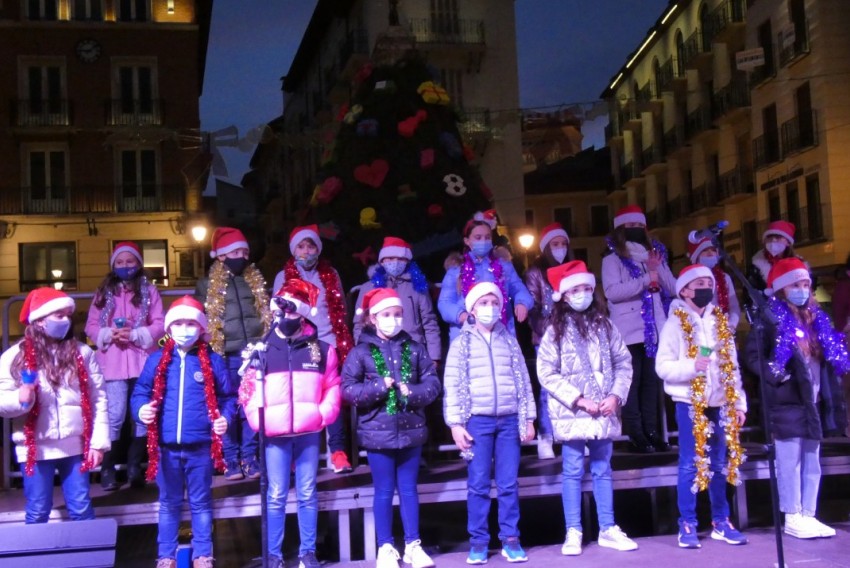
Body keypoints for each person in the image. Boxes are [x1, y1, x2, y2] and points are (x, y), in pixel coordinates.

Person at [536, 261, 638, 556]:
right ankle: (573, 530)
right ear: (564, 296)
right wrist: (579, 400)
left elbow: (623, 362)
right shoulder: (555, 331)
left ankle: (607, 527)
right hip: (574, 412)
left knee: (603, 468)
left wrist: (616, 395)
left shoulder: (605, 325)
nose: (582, 294)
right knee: (572, 469)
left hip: (604, 410)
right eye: (575, 290)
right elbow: (546, 372)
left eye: (586, 289)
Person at [239, 279, 341, 568]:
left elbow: (333, 385)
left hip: (308, 431)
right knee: (276, 495)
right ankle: (274, 555)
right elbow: (247, 390)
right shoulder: (260, 349)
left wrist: (322, 414)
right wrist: (258, 420)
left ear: (304, 313)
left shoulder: (322, 349)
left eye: (293, 311)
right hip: (275, 434)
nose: (286, 316)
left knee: (307, 492)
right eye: (282, 311)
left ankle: (307, 552)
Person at [744, 258, 847, 539]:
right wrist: (775, 374)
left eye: (805, 285)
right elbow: (752, 356)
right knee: (789, 462)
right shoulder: (770, 319)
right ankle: (792, 515)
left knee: (812, 461)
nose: (802, 290)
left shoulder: (817, 318)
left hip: (814, 401)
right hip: (787, 400)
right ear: (781, 289)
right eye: (795, 285)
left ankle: (808, 514)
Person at [343, 288, 441, 568]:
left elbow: (433, 383)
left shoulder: (414, 348)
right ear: (373, 318)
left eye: (398, 314)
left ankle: (413, 544)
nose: (394, 319)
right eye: (387, 314)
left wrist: (414, 392)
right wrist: (377, 387)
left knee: (409, 490)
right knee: (384, 491)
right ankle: (385, 547)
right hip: (378, 434)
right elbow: (347, 389)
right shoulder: (361, 352)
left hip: (411, 430)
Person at [132, 296, 232, 568]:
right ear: (169, 328)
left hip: (200, 446)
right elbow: (140, 391)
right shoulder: (156, 360)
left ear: (201, 327)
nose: (184, 329)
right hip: (166, 448)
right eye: (178, 323)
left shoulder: (213, 361)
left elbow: (228, 397)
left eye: (190, 323)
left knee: (201, 502)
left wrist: (225, 418)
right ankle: (166, 556)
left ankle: (203, 554)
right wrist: (141, 410)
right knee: (168, 503)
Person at [443, 282, 537, 564]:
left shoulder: (509, 341)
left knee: (508, 483)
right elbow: (452, 385)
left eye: (495, 303)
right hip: (477, 422)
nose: (490, 308)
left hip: (509, 420)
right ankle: (479, 542)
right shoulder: (462, 343)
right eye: (483, 303)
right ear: (472, 309)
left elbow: (523, 381)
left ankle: (511, 539)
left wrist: (528, 418)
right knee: (478, 485)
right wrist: (456, 424)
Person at [656, 265, 748, 549]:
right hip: (689, 403)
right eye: (700, 284)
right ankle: (687, 523)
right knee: (690, 465)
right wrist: (691, 366)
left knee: (719, 464)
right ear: (684, 290)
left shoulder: (719, 322)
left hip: (719, 402)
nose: (707, 288)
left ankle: (721, 521)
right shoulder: (674, 324)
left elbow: (732, 367)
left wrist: (739, 403)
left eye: (709, 283)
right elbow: (663, 367)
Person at [0, 288, 109, 523]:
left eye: (68, 315)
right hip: (35, 448)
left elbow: (98, 398)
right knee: (38, 510)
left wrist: (98, 444)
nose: (66, 321)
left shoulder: (82, 353)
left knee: (81, 507)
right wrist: (21, 398)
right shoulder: (14, 357)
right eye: (59, 315)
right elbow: (2, 402)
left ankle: (86, 549)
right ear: (39, 320)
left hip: (76, 447)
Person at [272, 225, 354, 474]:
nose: (306, 251)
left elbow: (341, 309)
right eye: (301, 246)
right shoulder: (283, 276)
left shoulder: (331, 274)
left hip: (327, 341)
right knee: (300, 398)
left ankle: (337, 451)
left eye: (311, 246)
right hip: (298, 343)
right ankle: (297, 454)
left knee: (331, 395)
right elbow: (277, 313)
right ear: (293, 250)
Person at [85, 241, 164, 490]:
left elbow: (160, 323)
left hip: (142, 362)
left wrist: (136, 334)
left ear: (139, 264)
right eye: (119, 262)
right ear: (113, 265)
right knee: (115, 416)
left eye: (130, 261)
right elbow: (91, 325)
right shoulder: (103, 292)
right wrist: (109, 334)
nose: (125, 265)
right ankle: (108, 469)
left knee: (142, 416)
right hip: (113, 364)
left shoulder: (149, 291)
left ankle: (134, 467)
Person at [195, 227, 272, 481]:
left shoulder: (254, 280)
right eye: (236, 252)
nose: (242, 257)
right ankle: (230, 458)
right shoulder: (207, 285)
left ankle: (249, 457)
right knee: (227, 406)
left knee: (251, 405)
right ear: (221, 255)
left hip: (253, 355)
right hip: (224, 355)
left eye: (245, 253)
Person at [601, 205, 676, 453]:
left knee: (651, 383)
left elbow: (672, 287)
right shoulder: (612, 260)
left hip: (654, 329)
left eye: (639, 226)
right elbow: (612, 292)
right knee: (631, 384)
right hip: (628, 331)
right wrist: (647, 278)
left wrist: (657, 268)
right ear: (621, 230)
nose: (635, 230)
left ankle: (652, 432)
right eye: (630, 226)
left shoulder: (653, 257)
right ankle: (635, 433)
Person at [438, 210, 533, 342]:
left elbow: (518, 288)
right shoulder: (456, 269)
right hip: (466, 335)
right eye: (478, 237)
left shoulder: (504, 265)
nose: (483, 241)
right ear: (467, 241)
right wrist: (462, 316)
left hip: (502, 334)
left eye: (487, 237)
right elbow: (445, 302)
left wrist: (522, 302)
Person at [353, 237, 441, 367]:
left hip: (412, 351)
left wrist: (434, 357)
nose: (394, 262)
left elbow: (429, 322)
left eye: (400, 259)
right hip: (378, 352)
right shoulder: (368, 287)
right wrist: (362, 352)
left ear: (407, 261)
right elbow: (359, 324)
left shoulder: (418, 287)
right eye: (389, 258)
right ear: (382, 261)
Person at [524, 222, 571, 460]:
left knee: (573, 386)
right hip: (545, 338)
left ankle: (573, 435)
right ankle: (546, 437)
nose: (560, 248)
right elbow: (533, 310)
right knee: (547, 390)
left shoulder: (573, 268)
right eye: (555, 244)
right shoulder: (535, 273)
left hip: (572, 338)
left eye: (563, 244)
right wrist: (551, 332)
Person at [747, 221, 814, 296]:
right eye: (769, 237)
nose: (773, 240)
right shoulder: (756, 266)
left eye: (778, 237)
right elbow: (749, 293)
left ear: (788, 242)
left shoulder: (800, 266)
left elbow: (808, 291)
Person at [687, 237, 741, 329]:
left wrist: (732, 325)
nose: (710, 253)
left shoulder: (725, 278)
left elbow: (734, 306)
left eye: (713, 250)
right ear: (697, 256)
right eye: (705, 250)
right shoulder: (688, 279)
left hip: (723, 329)